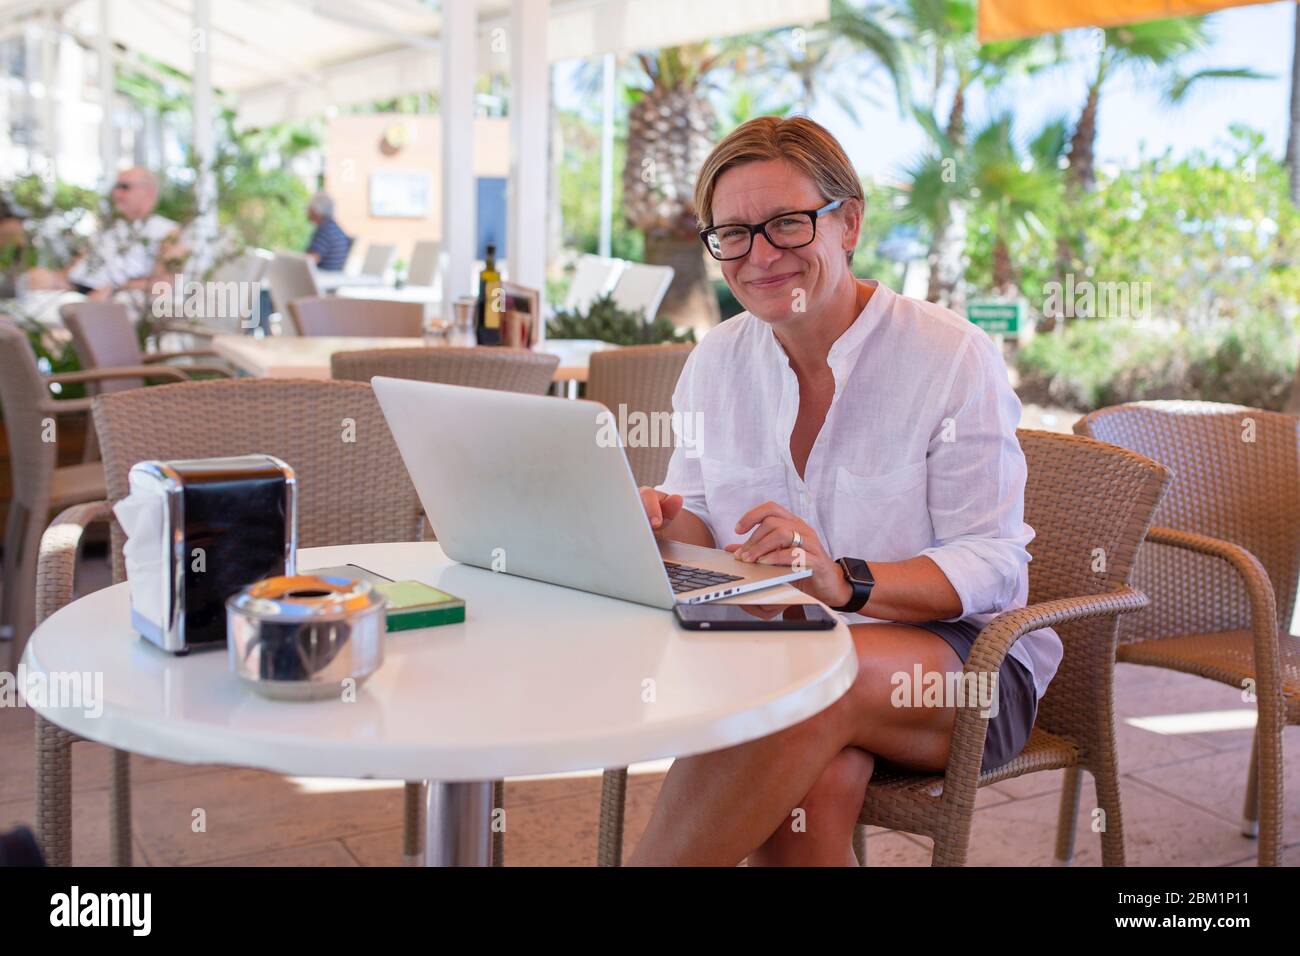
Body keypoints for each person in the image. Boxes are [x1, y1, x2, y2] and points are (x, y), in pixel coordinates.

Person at [628, 116, 1061, 867]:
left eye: (787, 224)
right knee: (814, 789)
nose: (760, 255)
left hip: (966, 661)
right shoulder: (717, 360)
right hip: (783, 646)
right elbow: (697, 514)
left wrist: (844, 580)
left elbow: (995, 564)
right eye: (732, 233)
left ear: (849, 222)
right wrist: (662, 522)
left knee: (798, 687)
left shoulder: (948, 354)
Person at [25, 166, 180, 301]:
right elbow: (80, 261)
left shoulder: (166, 231)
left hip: (113, 294)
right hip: (75, 286)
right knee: (30, 278)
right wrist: (58, 278)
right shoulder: (109, 226)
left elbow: (165, 283)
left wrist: (116, 289)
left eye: (124, 187)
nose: (116, 193)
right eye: (116, 187)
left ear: (149, 193)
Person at [305, 191, 352, 271]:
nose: (307, 211)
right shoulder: (334, 228)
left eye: (309, 208)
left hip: (323, 276)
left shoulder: (324, 231)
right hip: (333, 276)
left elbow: (310, 260)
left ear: (316, 210)